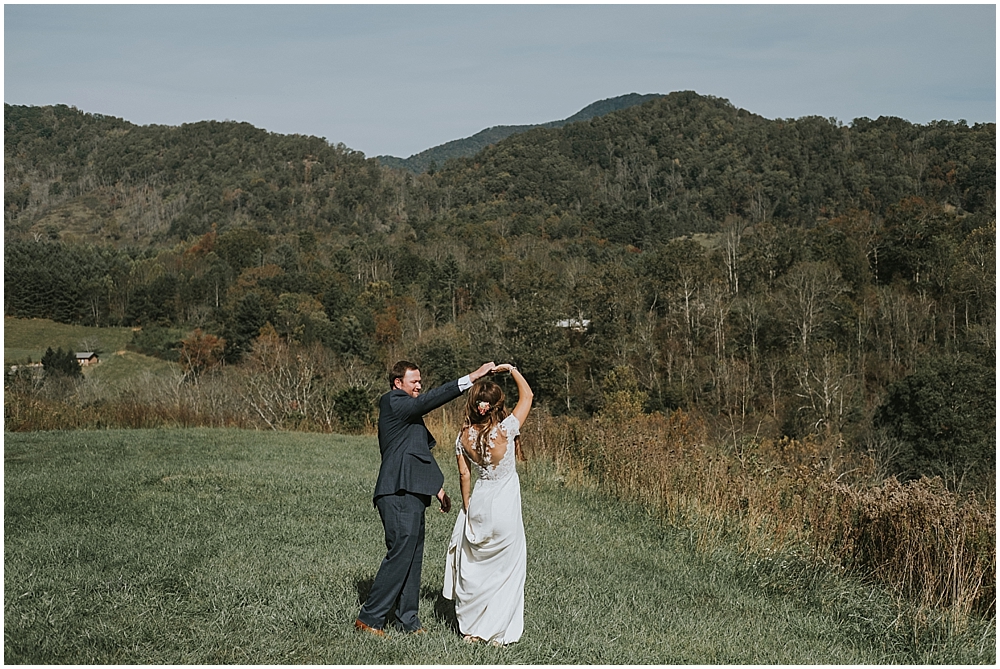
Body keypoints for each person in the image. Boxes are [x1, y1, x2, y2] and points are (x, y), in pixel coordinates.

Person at [355, 359, 496, 637]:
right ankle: (370, 618)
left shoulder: (409, 417)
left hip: (413, 492)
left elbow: (418, 453)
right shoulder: (393, 402)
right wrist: (472, 377)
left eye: (420, 381)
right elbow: (431, 400)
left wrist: (438, 488)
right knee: (401, 553)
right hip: (397, 491)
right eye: (414, 381)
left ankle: (407, 621)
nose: (419, 385)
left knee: (413, 556)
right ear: (398, 383)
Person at [443, 363, 533, 646]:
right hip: (504, 503)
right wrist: (512, 370)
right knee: (507, 569)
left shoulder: (463, 437)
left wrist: (467, 505)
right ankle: (497, 632)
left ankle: (472, 628)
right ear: (496, 405)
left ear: (475, 405)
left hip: (480, 501)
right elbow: (527, 397)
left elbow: (464, 474)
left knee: (478, 567)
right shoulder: (507, 429)